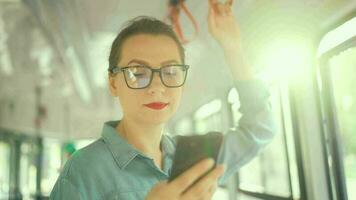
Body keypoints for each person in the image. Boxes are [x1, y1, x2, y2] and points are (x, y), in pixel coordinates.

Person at [50, 0, 275, 199]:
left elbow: (260, 129)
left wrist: (233, 48)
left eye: (170, 72)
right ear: (113, 83)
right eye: (138, 73)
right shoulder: (84, 172)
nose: (157, 87)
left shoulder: (195, 159)